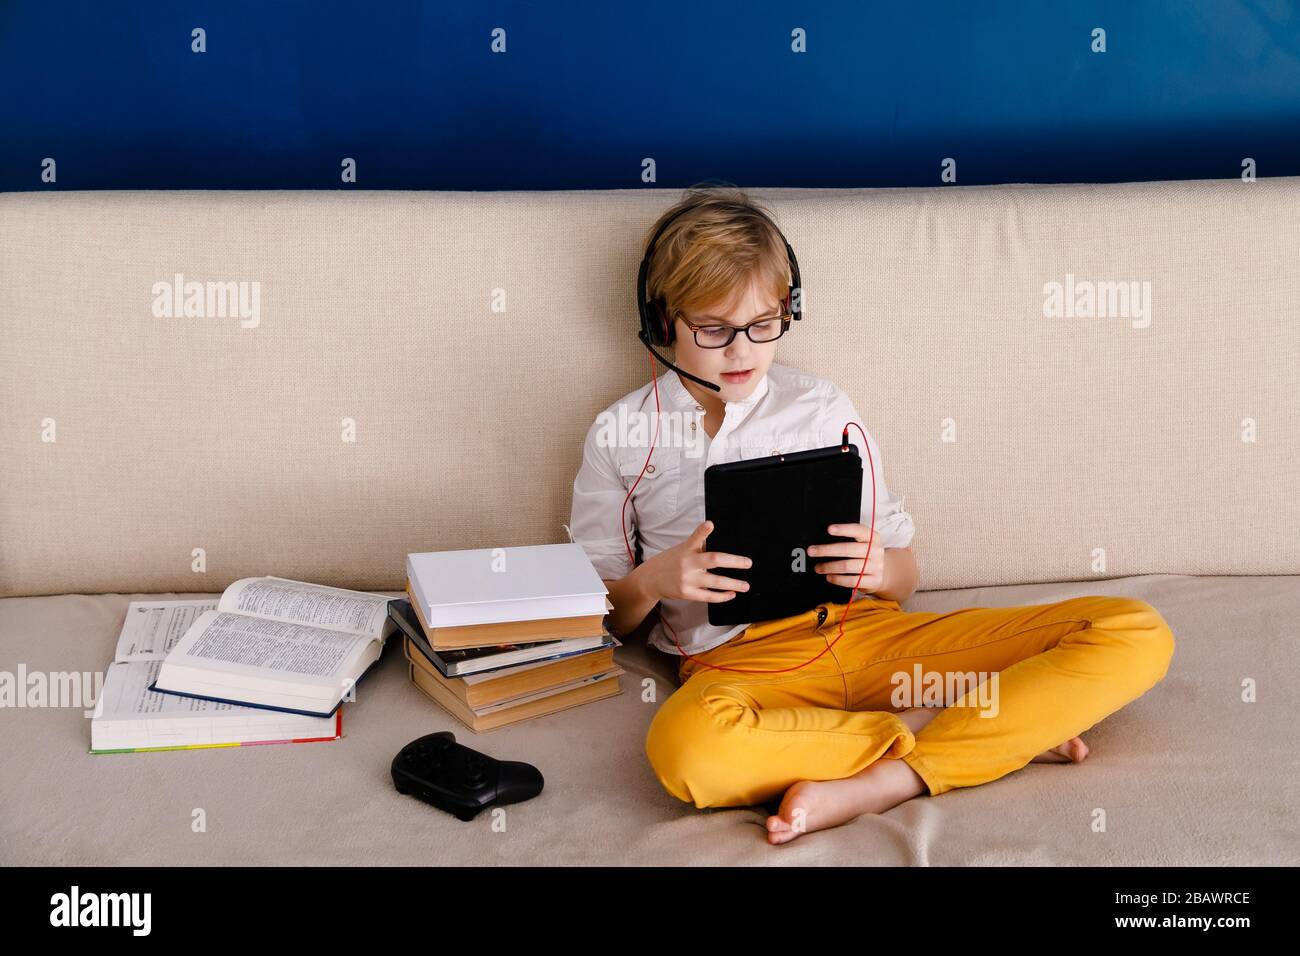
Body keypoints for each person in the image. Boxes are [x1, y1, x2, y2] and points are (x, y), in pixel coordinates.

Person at [567, 184, 1175, 845]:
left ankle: (895, 776)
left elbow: (906, 575)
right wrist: (655, 581)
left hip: (870, 638)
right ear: (663, 324)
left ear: (785, 311)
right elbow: (597, 618)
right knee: (687, 752)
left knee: (1134, 631)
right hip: (740, 672)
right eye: (714, 330)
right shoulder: (618, 433)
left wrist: (878, 566)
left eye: (763, 325)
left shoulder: (822, 407)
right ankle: (950, 730)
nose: (741, 352)